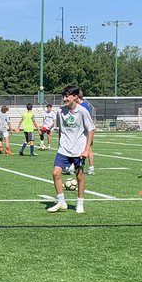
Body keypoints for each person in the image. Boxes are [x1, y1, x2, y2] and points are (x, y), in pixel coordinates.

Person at [47, 85, 95, 214]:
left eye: (67, 96)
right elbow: (60, 130)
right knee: (56, 173)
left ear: (75, 97)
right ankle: (61, 202)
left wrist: (86, 149)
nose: (65, 98)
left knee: (79, 176)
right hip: (64, 148)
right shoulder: (60, 111)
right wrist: (59, 145)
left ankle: (80, 203)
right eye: (64, 96)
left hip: (78, 150)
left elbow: (91, 130)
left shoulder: (83, 111)